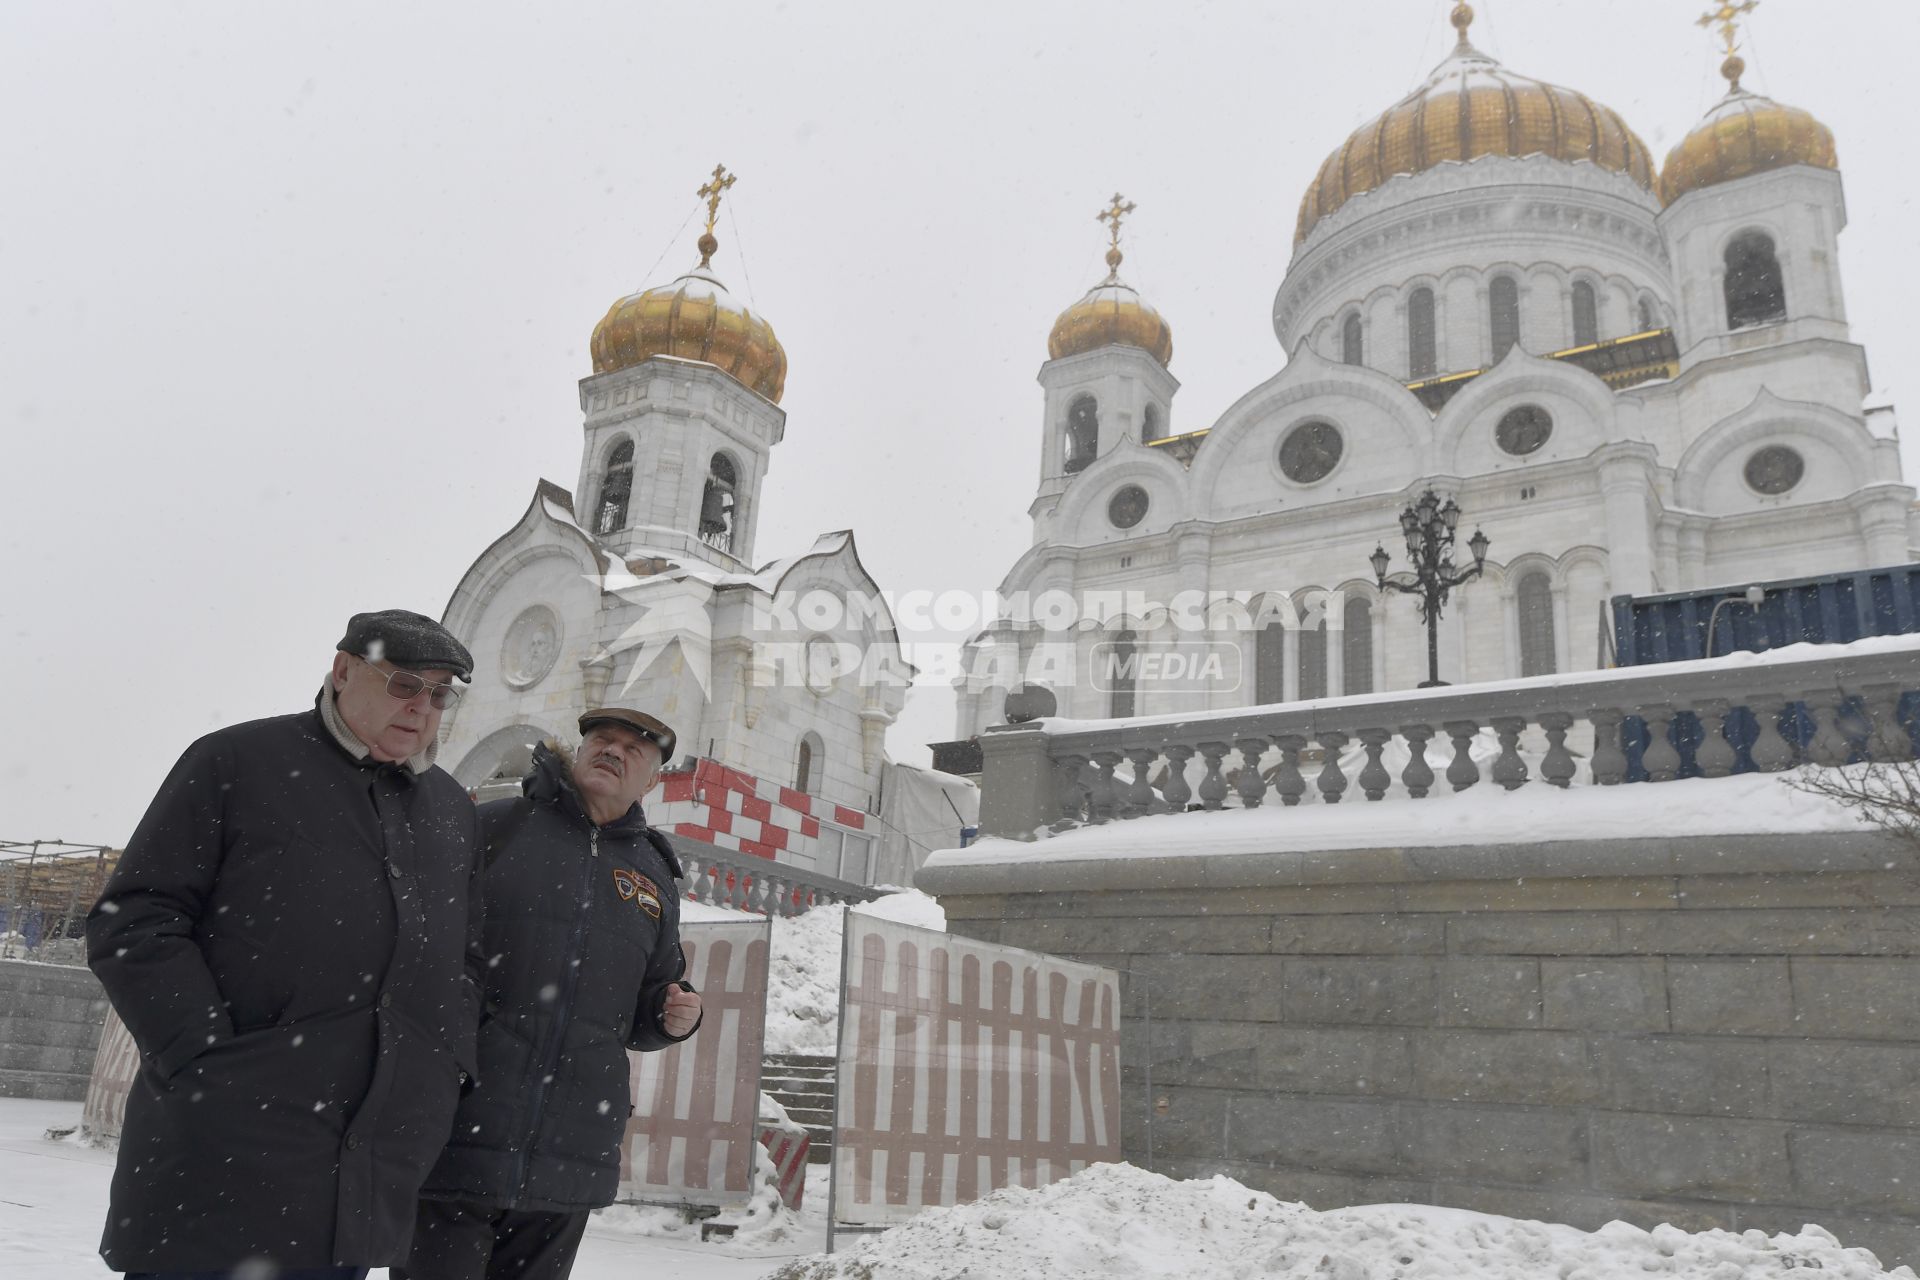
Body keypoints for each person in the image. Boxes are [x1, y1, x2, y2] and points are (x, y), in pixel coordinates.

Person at [86, 609, 486, 1280]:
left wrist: (442, 1069)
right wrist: (204, 1058)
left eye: (440, 693)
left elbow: (464, 961)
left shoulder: (450, 810)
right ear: (342, 669)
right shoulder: (237, 761)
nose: (422, 708)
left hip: (368, 1174)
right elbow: (136, 918)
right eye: (405, 684)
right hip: (223, 1158)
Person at [399, 707, 704, 1280]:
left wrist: (670, 1015)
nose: (613, 751)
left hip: (571, 1151)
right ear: (579, 748)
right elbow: (417, 952)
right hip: (459, 1135)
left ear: (653, 779)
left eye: (634, 750)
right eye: (602, 740)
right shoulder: (491, 827)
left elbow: (651, 996)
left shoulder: (655, 874)